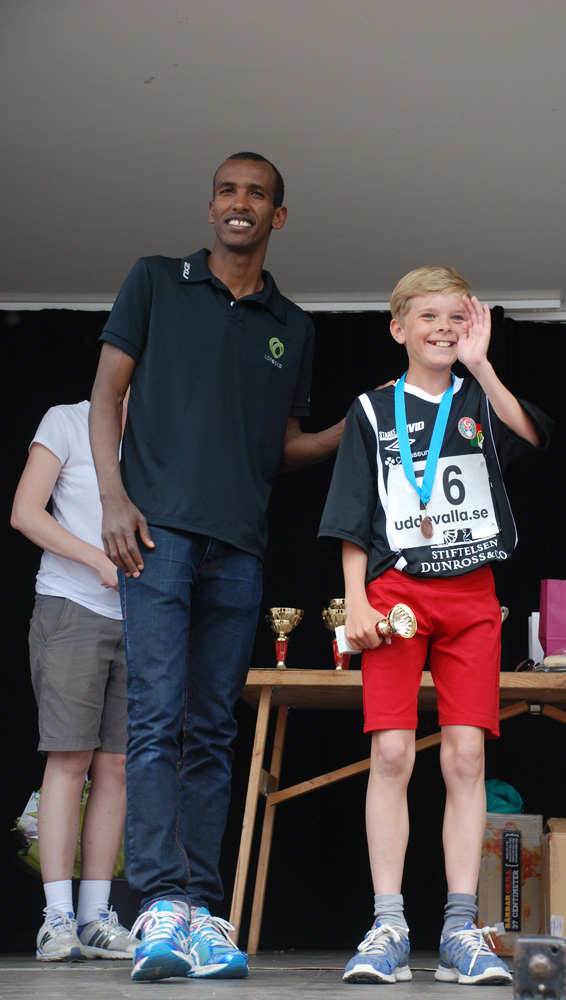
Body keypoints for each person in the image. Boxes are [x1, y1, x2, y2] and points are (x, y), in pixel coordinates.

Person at [88, 152, 344, 982]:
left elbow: (282, 447)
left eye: (257, 194)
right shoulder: (155, 280)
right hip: (156, 535)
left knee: (212, 730)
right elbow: (105, 395)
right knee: (156, 718)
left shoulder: (291, 325)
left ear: (277, 216)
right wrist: (114, 500)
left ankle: (199, 909)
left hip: (239, 545)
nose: (241, 203)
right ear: (210, 209)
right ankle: (160, 902)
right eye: (228, 191)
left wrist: (354, 428)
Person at [318, 266, 553, 986]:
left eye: (457, 317)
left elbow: (531, 437)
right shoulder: (372, 409)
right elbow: (352, 511)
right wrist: (355, 601)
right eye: (429, 317)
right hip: (395, 595)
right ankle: (388, 924)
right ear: (398, 328)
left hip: (471, 594)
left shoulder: (479, 397)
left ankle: (459, 927)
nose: (444, 329)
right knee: (391, 754)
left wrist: (481, 364)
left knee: (466, 759)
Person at [11, 398, 136, 962]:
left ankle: (95, 916)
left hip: (139, 616)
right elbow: (25, 512)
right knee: (70, 757)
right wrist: (97, 559)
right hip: (71, 605)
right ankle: (57, 918)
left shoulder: (164, 434)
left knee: (118, 765)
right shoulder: (65, 420)